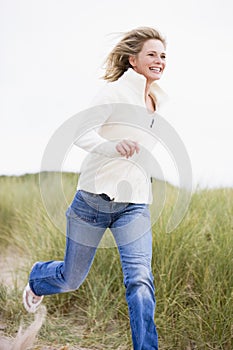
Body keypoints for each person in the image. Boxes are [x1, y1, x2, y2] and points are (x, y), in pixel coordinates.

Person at [23, 26, 168, 350]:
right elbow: (79, 133)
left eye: (163, 55)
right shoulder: (115, 93)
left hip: (135, 204)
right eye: (152, 54)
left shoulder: (158, 101)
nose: (159, 60)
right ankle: (38, 278)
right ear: (133, 59)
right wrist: (113, 146)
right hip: (93, 201)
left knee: (140, 280)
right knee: (71, 279)